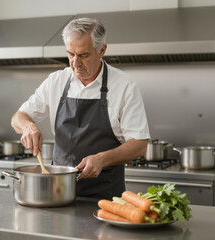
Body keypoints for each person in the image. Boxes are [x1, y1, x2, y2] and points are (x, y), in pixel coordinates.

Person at [11, 17, 150, 200]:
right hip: (57, 194)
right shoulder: (56, 81)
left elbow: (139, 145)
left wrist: (102, 159)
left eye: (83, 55)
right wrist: (28, 127)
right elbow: (18, 117)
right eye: (70, 54)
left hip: (104, 198)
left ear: (102, 50)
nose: (75, 63)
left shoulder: (125, 86)